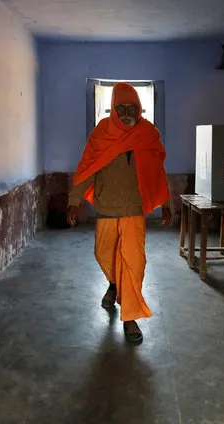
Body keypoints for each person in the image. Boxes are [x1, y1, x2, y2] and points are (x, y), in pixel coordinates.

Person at [67, 82, 172, 344]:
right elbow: (87, 168)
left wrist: (166, 204)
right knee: (104, 254)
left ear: (140, 108)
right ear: (113, 109)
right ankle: (114, 285)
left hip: (134, 211)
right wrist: (73, 200)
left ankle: (130, 317)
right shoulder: (100, 134)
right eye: (121, 107)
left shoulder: (148, 134)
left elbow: (157, 173)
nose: (127, 111)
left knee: (134, 263)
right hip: (107, 208)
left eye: (132, 107)